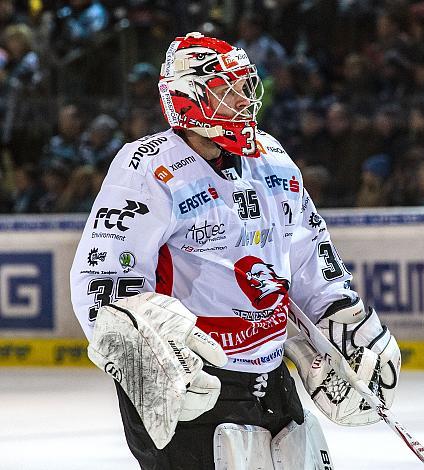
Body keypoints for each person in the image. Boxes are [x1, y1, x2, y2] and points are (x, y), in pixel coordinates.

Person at [69, 32, 401, 469]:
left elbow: (309, 253)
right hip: (191, 382)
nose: (244, 97)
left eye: (244, 85)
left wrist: (339, 317)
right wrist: (140, 355)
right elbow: (103, 279)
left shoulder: (274, 158)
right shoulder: (146, 167)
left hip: (271, 374)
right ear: (190, 100)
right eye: (227, 88)